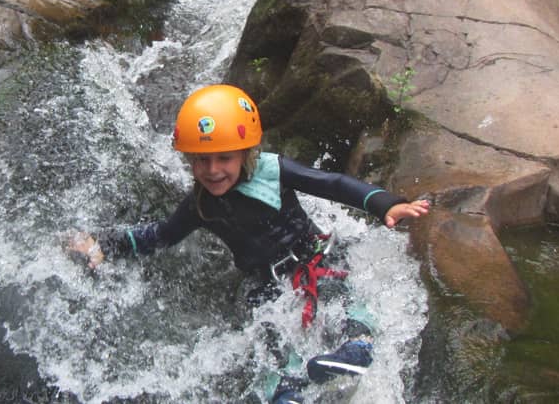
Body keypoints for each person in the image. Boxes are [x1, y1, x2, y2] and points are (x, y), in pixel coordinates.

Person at [67, 84, 431, 403]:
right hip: (265, 282)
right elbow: (162, 235)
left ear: (246, 152)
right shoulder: (200, 205)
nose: (212, 171)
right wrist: (106, 245)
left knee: (336, 293)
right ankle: (287, 390)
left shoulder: (273, 171)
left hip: (311, 258)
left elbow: (332, 184)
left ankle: (358, 346)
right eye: (201, 160)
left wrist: (386, 203)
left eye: (224, 157)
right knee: (270, 336)